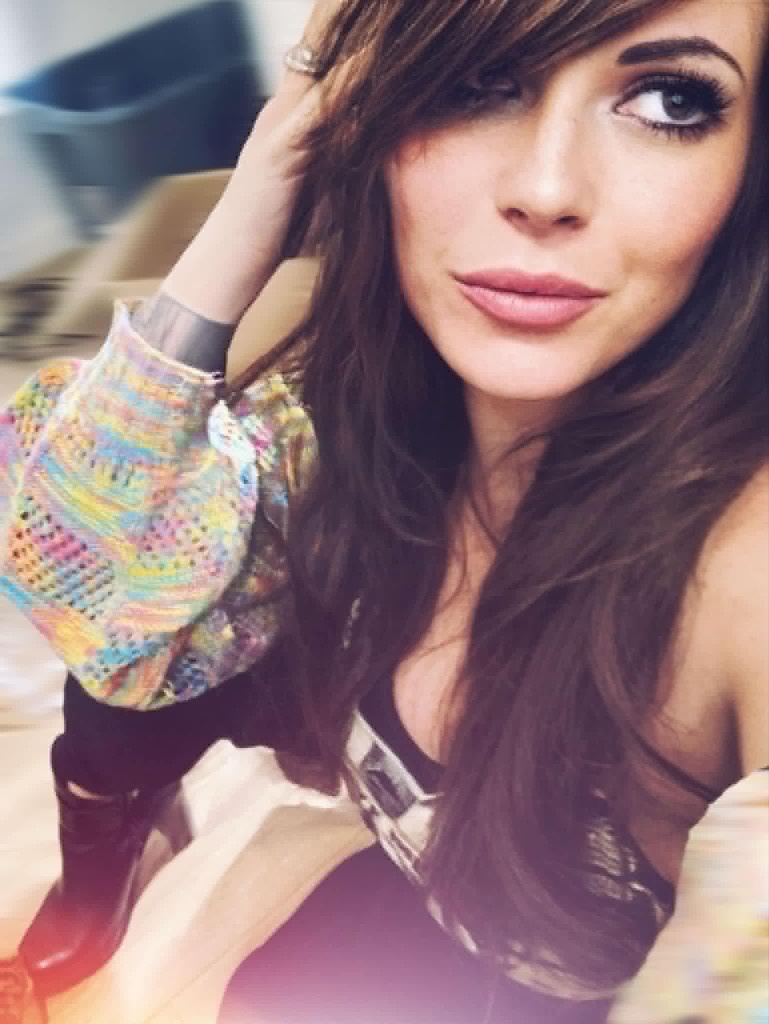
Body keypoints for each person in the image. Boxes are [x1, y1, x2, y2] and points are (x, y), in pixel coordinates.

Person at [1, 0, 767, 1021]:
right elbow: (80, 575)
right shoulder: (355, 394)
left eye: (670, 100)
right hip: (416, 905)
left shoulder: (742, 568)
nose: (545, 189)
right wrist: (259, 189)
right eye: (477, 82)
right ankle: (109, 845)